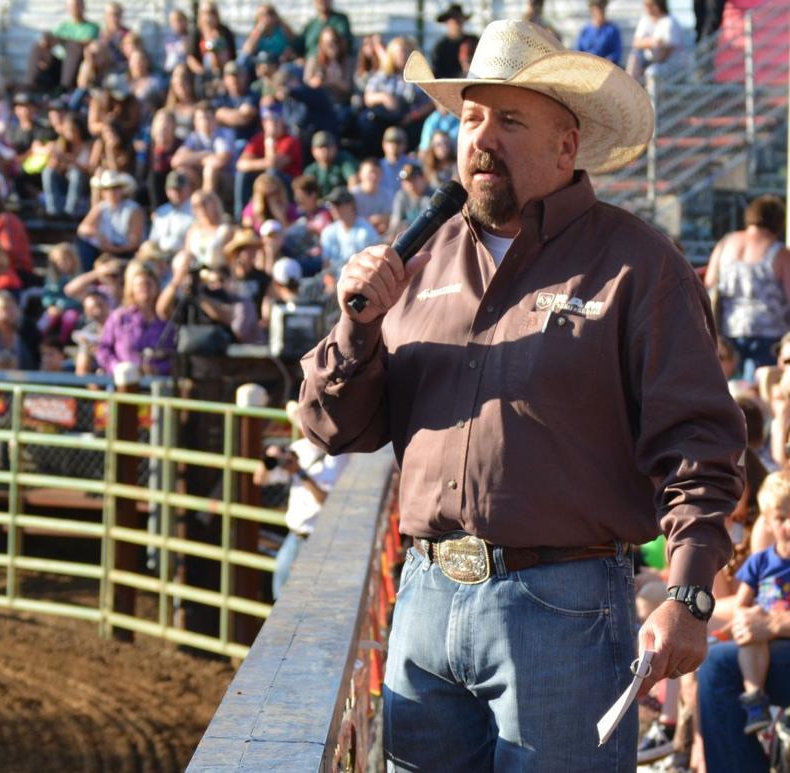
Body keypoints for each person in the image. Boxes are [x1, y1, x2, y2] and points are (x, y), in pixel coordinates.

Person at [299, 20, 742, 769]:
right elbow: (336, 429)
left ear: (566, 146)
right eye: (472, 117)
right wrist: (355, 325)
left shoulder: (637, 262)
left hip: (564, 606)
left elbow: (698, 442)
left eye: (509, 120)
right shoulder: (418, 257)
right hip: (426, 595)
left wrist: (691, 592)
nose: (482, 138)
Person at [698, 473, 790, 772]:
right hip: (767, 640)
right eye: (780, 517)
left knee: (721, 666)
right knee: (712, 655)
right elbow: (741, 605)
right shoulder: (764, 560)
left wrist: (775, 624)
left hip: (777, 634)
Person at [254, 402, 350, 599]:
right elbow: (260, 479)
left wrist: (299, 472)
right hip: (297, 536)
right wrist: (268, 458)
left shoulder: (337, 457)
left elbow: (326, 502)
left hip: (321, 541)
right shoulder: (299, 448)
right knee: (282, 595)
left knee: (307, 598)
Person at [704, 195, 790, 383]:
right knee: (759, 387)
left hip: (729, 331)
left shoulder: (725, 244)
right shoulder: (780, 253)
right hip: (769, 334)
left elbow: (709, 281)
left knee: (730, 388)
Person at [96, 260, 175, 377]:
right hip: (124, 383)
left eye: (149, 284)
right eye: (141, 285)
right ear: (131, 288)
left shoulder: (166, 319)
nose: (145, 289)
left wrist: (159, 369)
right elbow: (103, 349)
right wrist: (118, 368)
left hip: (159, 382)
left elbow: (175, 354)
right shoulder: (119, 317)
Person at [75, 171, 145, 270]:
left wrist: (113, 249)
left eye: (115, 188)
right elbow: (82, 229)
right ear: (103, 192)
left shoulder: (133, 209)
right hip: (106, 249)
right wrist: (99, 235)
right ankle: (87, 271)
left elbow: (134, 242)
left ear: (122, 190)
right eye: (107, 189)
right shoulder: (101, 207)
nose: (111, 192)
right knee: (83, 243)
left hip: (125, 252)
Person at [319, 189, 380, 271]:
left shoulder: (366, 231)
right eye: (331, 205)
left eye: (338, 204)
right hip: (335, 281)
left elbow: (372, 265)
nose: (334, 208)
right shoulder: (328, 232)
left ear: (351, 205)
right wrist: (330, 282)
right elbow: (326, 265)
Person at [627, 0, 686, 82]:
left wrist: (645, 42)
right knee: (634, 56)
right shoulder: (645, 19)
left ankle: (651, 95)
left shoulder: (669, 21)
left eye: (649, 4)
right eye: (645, 4)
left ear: (659, 4)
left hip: (670, 63)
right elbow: (636, 42)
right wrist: (652, 42)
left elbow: (666, 52)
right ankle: (629, 88)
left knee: (652, 72)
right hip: (650, 61)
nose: (646, 7)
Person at [303, 131, 357, 200]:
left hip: (342, 205)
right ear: (313, 150)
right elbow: (307, 195)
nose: (325, 150)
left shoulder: (344, 160)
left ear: (335, 147)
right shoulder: (310, 170)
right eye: (320, 147)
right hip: (320, 207)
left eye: (328, 146)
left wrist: (348, 200)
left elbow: (353, 181)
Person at [431, 4, 480, 78]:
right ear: (447, 22)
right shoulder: (440, 47)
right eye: (455, 20)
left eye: (459, 19)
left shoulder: (473, 41)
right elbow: (436, 74)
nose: (458, 22)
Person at [576, 0, 624, 66]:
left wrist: (605, 61)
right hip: (587, 67)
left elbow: (616, 53)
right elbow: (578, 51)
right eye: (597, 10)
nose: (600, 13)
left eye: (601, 9)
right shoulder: (585, 31)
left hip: (606, 67)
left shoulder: (612, 30)